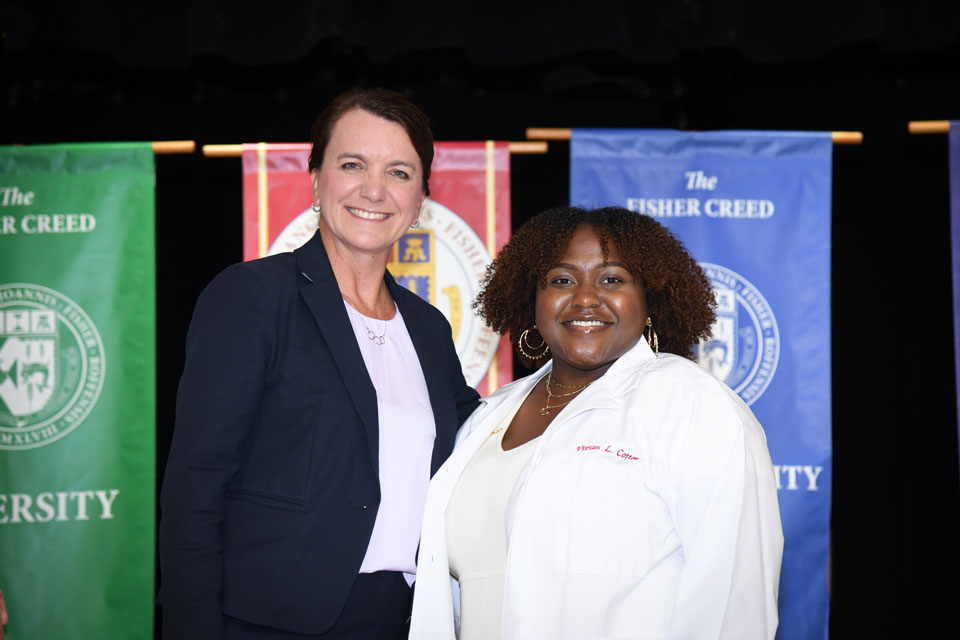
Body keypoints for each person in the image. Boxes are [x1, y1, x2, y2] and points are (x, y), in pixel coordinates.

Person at [159, 87, 479, 640]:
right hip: (270, 621)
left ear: (422, 196)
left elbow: (483, 438)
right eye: (352, 164)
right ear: (315, 178)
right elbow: (195, 487)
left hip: (404, 618)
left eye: (400, 172)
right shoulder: (253, 297)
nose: (374, 189)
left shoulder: (428, 327)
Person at [409, 206, 784, 639]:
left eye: (612, 279)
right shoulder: (489, 416)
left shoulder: (693, 406)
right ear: (533, 299)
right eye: (562, 280)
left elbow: (734, 608)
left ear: (649, 299)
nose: (585, 297)